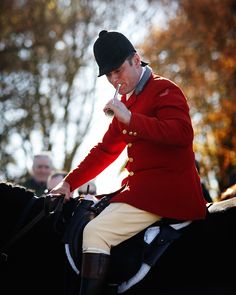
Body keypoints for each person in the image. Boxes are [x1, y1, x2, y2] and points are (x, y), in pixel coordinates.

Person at [50, 30, 207, 295]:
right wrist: (68, 184)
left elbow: (182, 134)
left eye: (117, 70)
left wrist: (130, 119)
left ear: (136, 60)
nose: (114, 80)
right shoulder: (128, 102)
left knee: (95, 233)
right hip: (139, 192)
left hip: (168, 193)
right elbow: (104, 151)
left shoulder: (165, 89)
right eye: (108, 75)